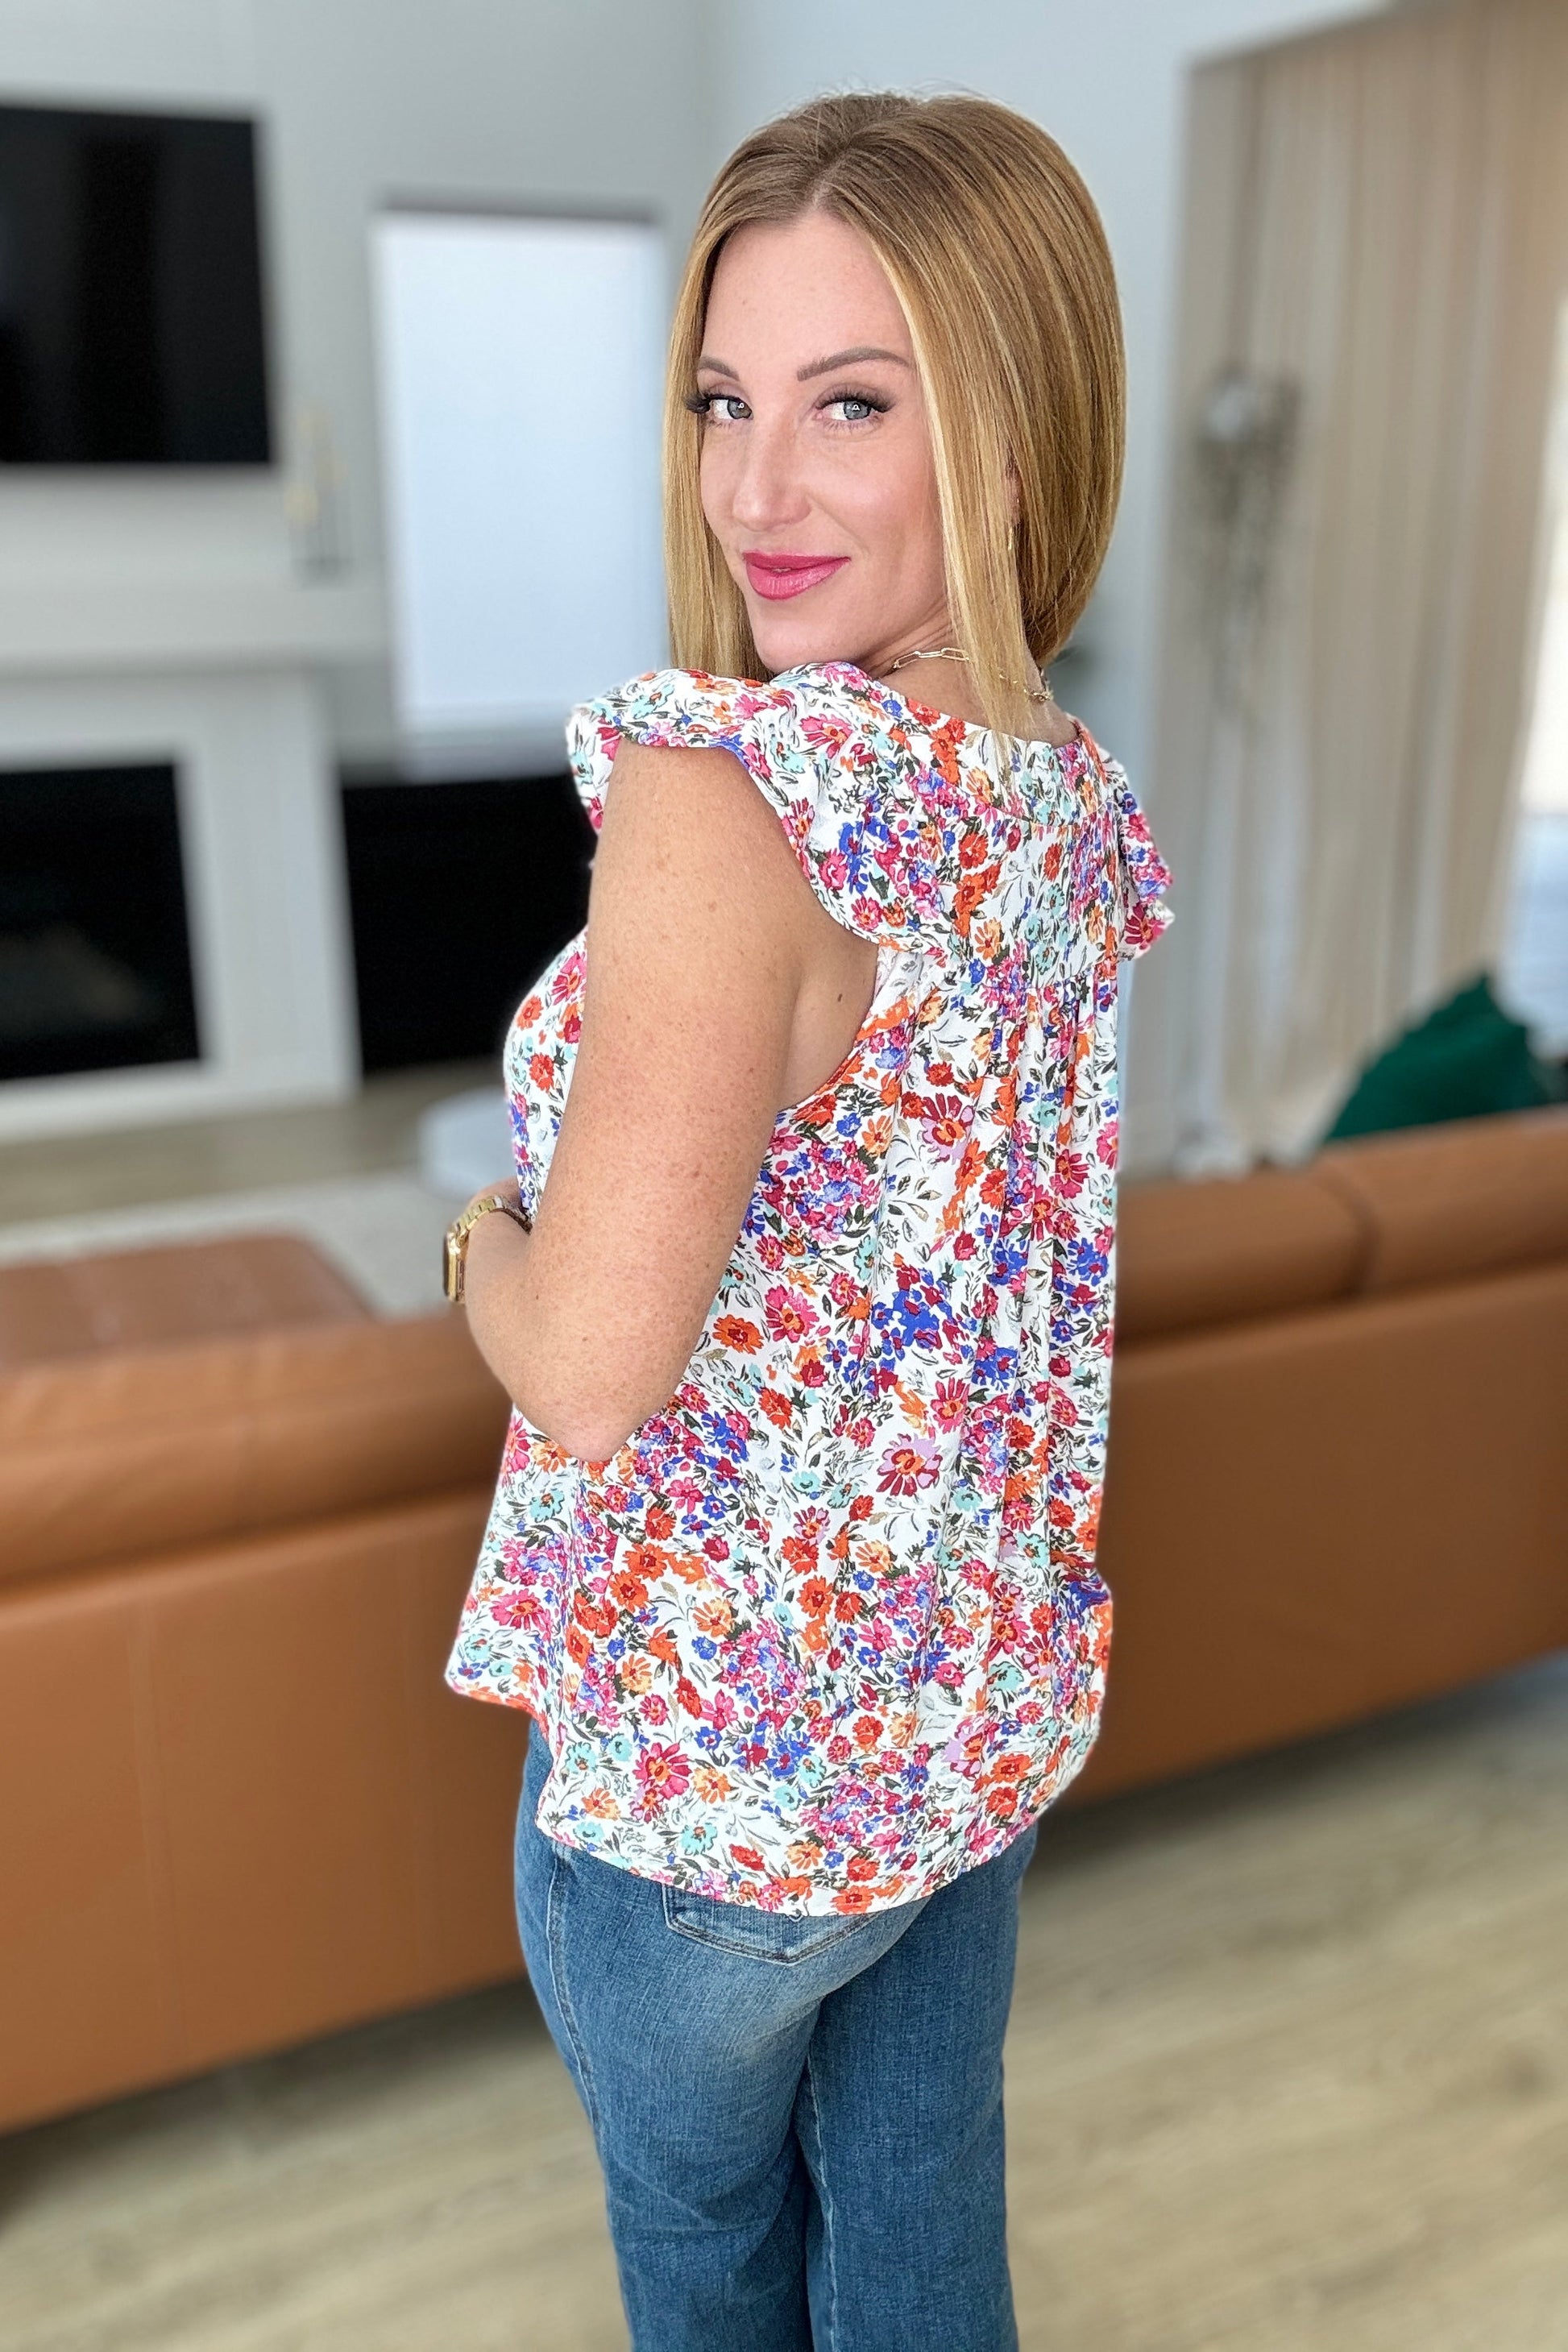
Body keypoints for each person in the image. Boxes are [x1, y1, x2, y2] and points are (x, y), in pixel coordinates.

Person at [442, 89, 1170, 2352]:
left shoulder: (725, 795)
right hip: (968, 1720)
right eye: (721, 403)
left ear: (1015, 436)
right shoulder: (1062, 801)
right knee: (922, 2255)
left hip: (707, 1802)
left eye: (851, 404)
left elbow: (587, 1370)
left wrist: (480, 1239)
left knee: (712, 2278)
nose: (754, 492)